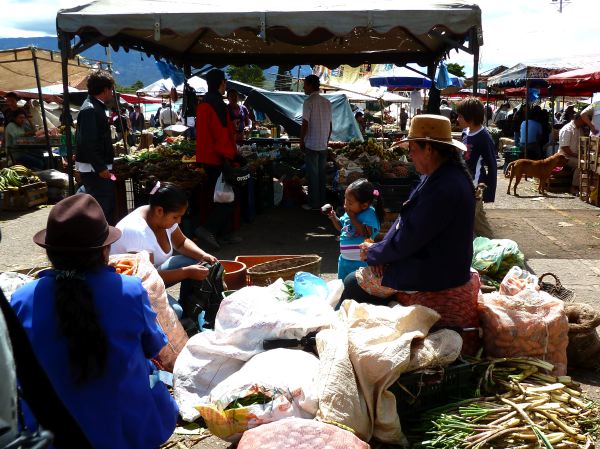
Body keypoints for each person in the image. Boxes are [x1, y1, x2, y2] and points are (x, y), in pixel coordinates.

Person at [10, 194, 178, 449]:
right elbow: (154, 347)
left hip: (49, 435)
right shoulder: (129, 290)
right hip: (127, 432)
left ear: (51, 253)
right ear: (104, 250)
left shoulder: (22, 298)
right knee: (151, 374)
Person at [340, 115, 480, 353]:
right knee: (364, 274)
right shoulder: (443, 177)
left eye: (413, 150)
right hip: (435, 260)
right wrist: (380, 250)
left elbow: (410, 238)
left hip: (434, 270)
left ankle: (367, 345)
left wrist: (375, 253)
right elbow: (406, 228)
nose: (410, 156)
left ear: (429, 148)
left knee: (352, 283)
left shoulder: (443, 187)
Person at [110, 182, 217, 318]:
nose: (178, 221)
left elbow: (181, 242)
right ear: (159, 211)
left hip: (149, 275)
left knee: (196, 260)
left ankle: (188, 307)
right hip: (130, 290)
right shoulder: (138, 233)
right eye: (175, 217)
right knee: (175, 312)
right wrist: (187, 273)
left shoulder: (157, 215)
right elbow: (147, 278)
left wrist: (203, 255)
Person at [195, 68, 238, 248]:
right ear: (221, 83)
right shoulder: (217, 104)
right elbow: (221, 134)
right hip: (218, 158)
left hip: (206, 157)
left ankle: (222, 235)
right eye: (225, 82)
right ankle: (209, 230)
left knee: (217, 197)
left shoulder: (204, 102)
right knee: (227, 199)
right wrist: (230, 156)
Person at [75, 69, 117, 224]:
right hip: (95, 170)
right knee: (102, 207)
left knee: (104, 204)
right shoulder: (90, 109)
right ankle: (99, 242)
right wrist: (101, 167)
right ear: (105, 89)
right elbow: (88, 142)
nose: (112, 93)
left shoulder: (94, 106)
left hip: (97, 168)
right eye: (111, 90)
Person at [325, 179, 382, 280]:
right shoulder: (349, 213)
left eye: (350, 202)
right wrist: (334, 217)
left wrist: (352, 217)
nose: (346, 204)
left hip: (360, 262)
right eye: (345, 200)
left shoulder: (369, 213)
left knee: (357, 286)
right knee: (342, 287)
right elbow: (341, 228)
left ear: (364, 205)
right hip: (344, 260)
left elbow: (366, 234)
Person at [456, 97, 497, 238]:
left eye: (460, 116)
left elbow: (492, 166)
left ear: (471, 117)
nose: (457, 119)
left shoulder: (484, 137)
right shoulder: (465, 133)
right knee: (479, 223)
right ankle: (492, 247)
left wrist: (489, 192)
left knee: (463, 223)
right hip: (464, 185)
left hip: (474, 189)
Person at [300, 74, 332, 211]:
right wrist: (326, 140)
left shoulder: (308, 102)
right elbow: (330, 126)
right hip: (323, 144)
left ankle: (313, 204)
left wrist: (301, 140)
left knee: (313, 175)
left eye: (305, 84)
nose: (303, 87)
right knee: (321, 175)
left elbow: (305, 123)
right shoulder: (327, 102)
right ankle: (323, 203)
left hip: (312, 144)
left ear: (311, 85)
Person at [558, 112, 585, 193]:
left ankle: (582, 186)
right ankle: (574, 187)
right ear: (578, 119)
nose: (585, 122)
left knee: (585, 162)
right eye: (583, 120)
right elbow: (565, 148)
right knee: (581, 164)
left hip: (573, 155)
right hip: (564, 157)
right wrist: (577, 156)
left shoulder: (579, 129)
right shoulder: (567, 129)